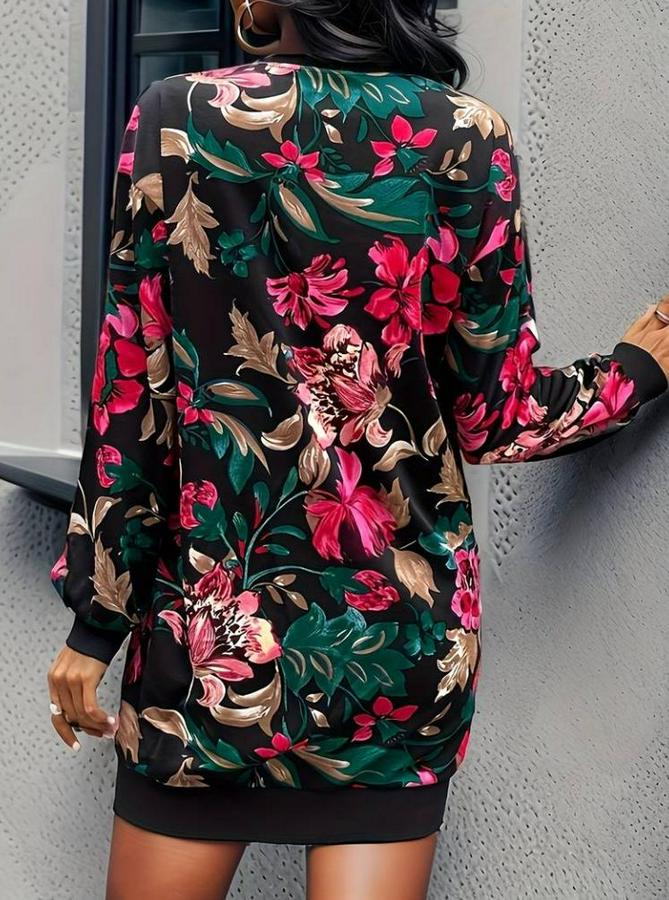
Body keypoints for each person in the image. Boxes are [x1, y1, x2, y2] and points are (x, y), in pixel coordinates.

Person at [46, 1, 669, 898]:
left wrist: (96, 620)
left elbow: (132, 399)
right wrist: (633, 372)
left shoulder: (179, 117)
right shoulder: (465, 137)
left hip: (210, 647)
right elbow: (497, 416)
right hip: (397, 645)